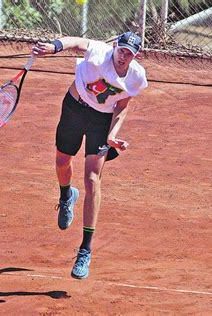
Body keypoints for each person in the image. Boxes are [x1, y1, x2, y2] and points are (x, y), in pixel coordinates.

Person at [32, 32, 148, 279]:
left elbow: (122, 106)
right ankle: (66, 195)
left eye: (130, 54)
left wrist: (112, 134)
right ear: (115, 46)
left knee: (92, 178)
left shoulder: (137, 76)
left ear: (135, 57)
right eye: (122, 50)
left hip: (101, 121)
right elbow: (74, 42)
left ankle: (85, 249)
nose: (124, 57)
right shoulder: (98, 52)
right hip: (74, 108)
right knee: (62, 162)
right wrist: (53, 47)